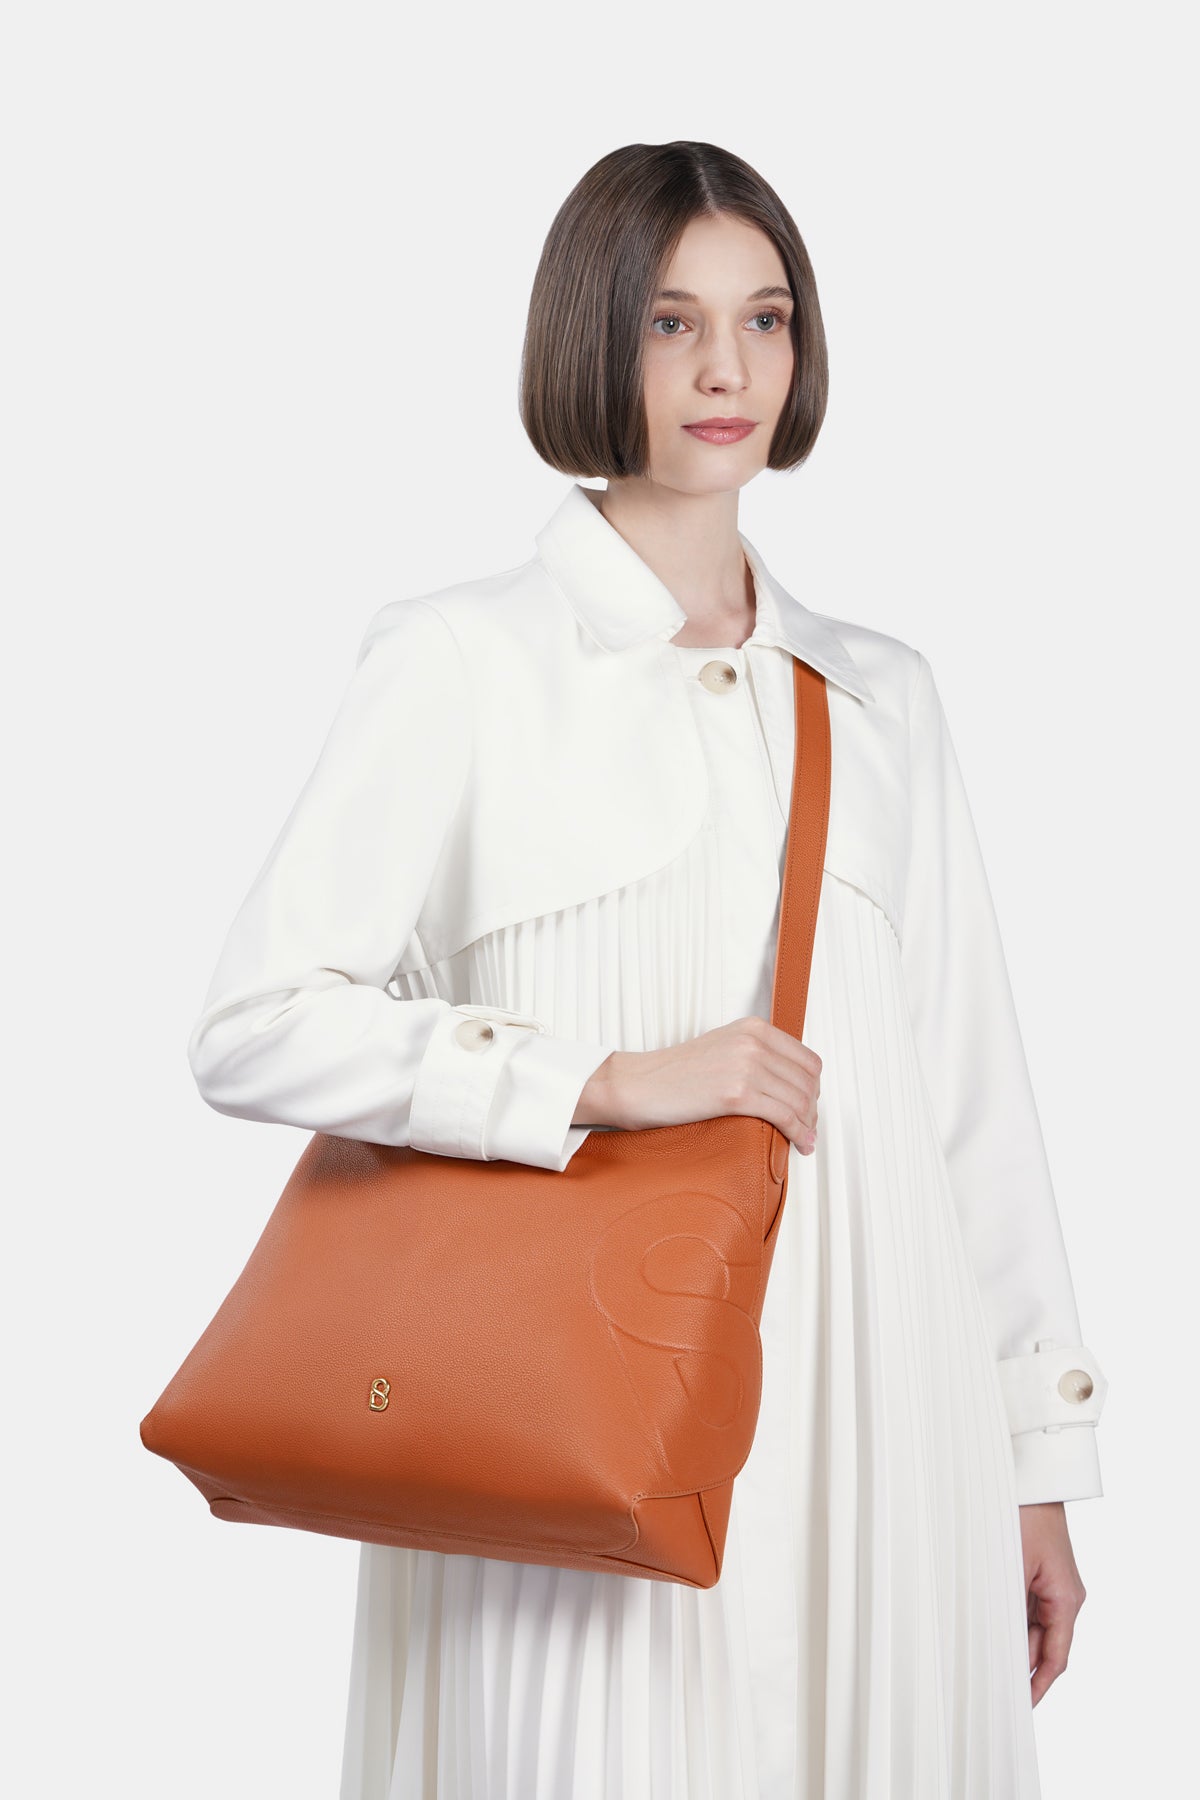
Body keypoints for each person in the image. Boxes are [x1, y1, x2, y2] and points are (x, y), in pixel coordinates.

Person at [185, 141, 1109, 1800]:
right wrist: (600, 1082)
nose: (726, 369)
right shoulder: (463, 658)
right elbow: (259, 1025)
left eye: (766, 319)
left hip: (877, 1397)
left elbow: (970, 1103)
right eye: (673, 322)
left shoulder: (880, 694)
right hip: (573, 1399)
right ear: (591, 337)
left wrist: (1034, 1459)